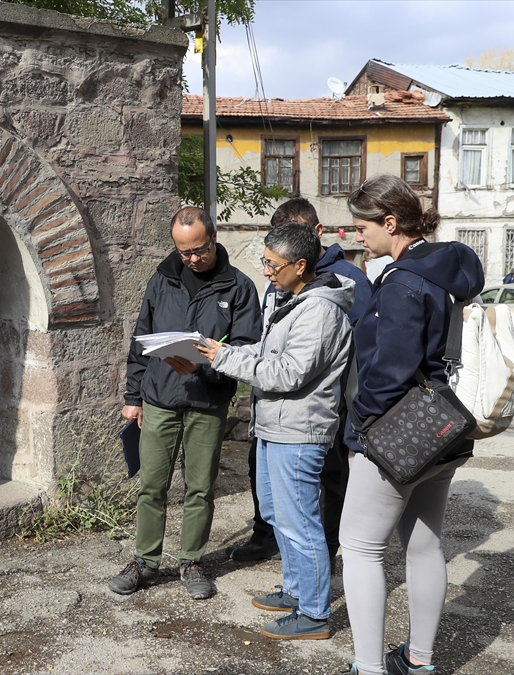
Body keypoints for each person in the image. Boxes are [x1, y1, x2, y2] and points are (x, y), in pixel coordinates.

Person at [339, 175, 484, 675]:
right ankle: (418, 660)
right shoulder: (449, 269)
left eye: (362, 228)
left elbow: (391, 369)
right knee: (424, 545)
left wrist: (361, 424)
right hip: (445, 425)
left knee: (358, 548)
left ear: (391, 223)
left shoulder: (403, 280)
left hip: (399, 431)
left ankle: (368, 667)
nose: (358, 237)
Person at [196, 224, 354, 640]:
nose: (266, 271)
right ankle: (295, 590)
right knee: (280, 517)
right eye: (264, 261)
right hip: (275, 427)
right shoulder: (293, 299)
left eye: (272, 264)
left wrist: (225, 362)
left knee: (300, 523)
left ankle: (315, 614)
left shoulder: (319, 310)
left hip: (299, 432)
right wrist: (221, 351)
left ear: (300, 266)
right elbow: (267, 352)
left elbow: (288, 372)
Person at [110, 205, 262, 600]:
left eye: (199, 250)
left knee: (200, 487)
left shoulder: (239, 287)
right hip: (159, 398)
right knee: (152, 485)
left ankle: (191, 560)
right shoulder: (161, 279)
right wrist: (132, 397)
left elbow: (247, 354)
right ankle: (145, 562)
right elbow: (142, 338)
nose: (193, 259)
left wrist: (202, 369)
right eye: (184, 253)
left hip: (208, 402)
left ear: (213, 238)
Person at [229, 199, 373, 568]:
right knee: (278, 498)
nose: (267, 271)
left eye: (274, 263)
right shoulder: (280, 281)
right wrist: (231, 354)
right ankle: (274, 545)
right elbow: (271, 344)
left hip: (318, 410)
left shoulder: (342, 285)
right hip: (274, 412)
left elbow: (300, 365)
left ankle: (321, 559)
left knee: (321, 489)